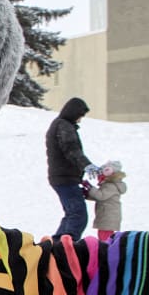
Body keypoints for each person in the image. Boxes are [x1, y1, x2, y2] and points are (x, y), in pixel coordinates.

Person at [46, 97, 96, 239]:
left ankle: (57, 243)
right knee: (78, 215)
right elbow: (72, 150)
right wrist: (86, 165)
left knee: (72, 214)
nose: (80, 120)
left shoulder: (60, 124)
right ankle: (67, 245)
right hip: (65, 178)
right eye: (80, 116)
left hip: (62, 177)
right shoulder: (64, 126)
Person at [85, 161, 127, 241]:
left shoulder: (111, 185)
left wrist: (90, 188)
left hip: (108, 215)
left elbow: (100, 196)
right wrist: (87, 194)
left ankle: (105, 247)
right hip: (107, 214)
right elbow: (100, 196)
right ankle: (106, 246)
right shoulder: (109, 184)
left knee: (105, 237)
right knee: (104, 235)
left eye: (107, 169)